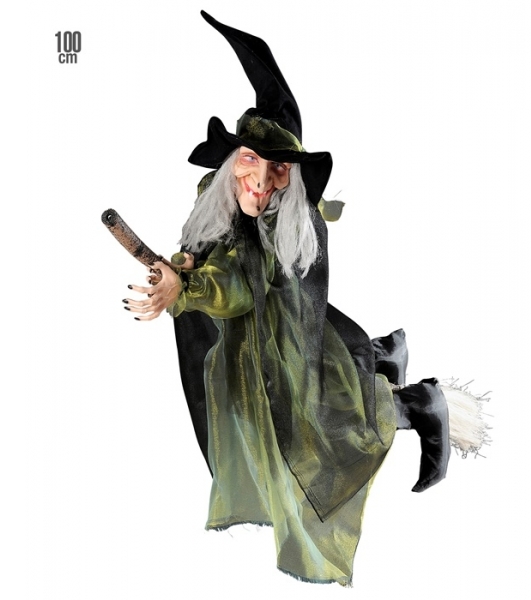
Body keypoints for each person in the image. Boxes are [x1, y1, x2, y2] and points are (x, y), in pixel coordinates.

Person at [122, 11, 473, 586]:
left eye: (278, 169)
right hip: (266, 336)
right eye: (250, 162)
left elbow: (238, 284)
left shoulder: (287, 224)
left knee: (318, 435)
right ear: (233, 160)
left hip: (280, 337)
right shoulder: (219, 194)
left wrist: (187, 289)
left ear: (292, 175)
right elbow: (209, 249)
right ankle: (381, 357)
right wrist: (182, 265)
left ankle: (418, 405)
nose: (261, 182)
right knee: (287, 406)